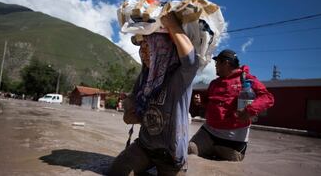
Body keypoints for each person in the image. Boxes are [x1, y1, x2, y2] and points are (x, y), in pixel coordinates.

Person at [108, 11, 198, 175]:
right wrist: (129, 114)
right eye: (141, 47)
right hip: (145, 146)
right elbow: (132, 99)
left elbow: (191, 61)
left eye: (148, 45)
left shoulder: (180, 76)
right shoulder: (145, 76)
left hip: (171, 155)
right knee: (117, 171)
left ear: (163, 47)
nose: (142, 52)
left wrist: (172, 25)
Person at [188, 49, 274, 161]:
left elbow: (267, 97)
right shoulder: (215, 83)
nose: (215, 66)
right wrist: (201, 99)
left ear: (226, 63)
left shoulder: (246, 79)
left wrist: (249, 110)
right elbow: (208, 99)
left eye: (217, 63)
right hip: (208, 133)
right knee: (188, 151)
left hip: (232, 141)